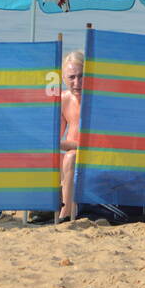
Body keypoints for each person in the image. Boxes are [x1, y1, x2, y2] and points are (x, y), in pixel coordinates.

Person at [58, 50, 84, 221]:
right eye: (72, 77)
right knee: (43, 156)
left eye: (81, 76)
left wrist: (67, 145)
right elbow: (54, 140)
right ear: (63, 78)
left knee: (70, 157)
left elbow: (95, 144)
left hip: (96, 156)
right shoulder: (63, 99)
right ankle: (39, 207)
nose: (77, 82)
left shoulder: (97, 100)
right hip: (71, 153)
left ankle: (65, 213)